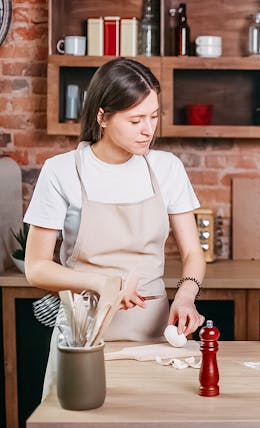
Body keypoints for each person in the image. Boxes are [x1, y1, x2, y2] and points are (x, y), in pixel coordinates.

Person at [23, 58, 206, 396]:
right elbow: (36, 269)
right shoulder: (61, 171)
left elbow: (193, 252)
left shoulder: (168, 168)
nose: (148, 129)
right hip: (83, 335)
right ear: (102, 117)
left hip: (154, 332)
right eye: (136, 120)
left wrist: (186, 296)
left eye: (154, 117)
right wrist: (104, 284)